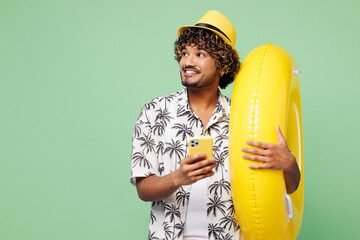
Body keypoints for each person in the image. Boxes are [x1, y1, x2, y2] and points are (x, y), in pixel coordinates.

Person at [130, 10, 300, 240]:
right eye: (184, 53)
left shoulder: (245, 118)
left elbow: (288, 189)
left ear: (222, 65)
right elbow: (143, 189)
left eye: (200, 54)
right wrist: (178, 177)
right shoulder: (154, 112)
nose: (187, 61)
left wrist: (289, 163)